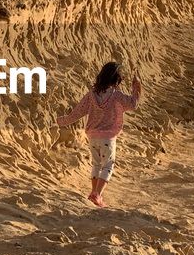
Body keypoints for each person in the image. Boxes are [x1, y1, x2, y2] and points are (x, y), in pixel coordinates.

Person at [57, 62, 142, 207]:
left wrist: (61, 121)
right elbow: (133, 104)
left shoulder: (91, 94)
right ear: (117, 80)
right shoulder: (116, 96)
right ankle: (97, 195)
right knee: (108, 165)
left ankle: (93, 193)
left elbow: (77, 112)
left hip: (92, 136)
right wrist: (136, 88)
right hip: (108, 137)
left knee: (96, 164)